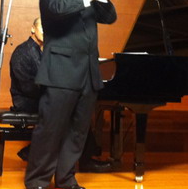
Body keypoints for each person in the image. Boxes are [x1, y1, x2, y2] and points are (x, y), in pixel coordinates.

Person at [23, 0, 117, 189]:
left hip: (88, 74)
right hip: (61, 73)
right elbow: (59, 11)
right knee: (50, 129)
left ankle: (65, 179)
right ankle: (37, 180)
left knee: (78, 131)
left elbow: (110, 17)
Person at [10, 17, 114, 172]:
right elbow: (27, 87)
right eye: (43, 27)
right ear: (32, 29)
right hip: (26, 101)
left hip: (42, 98)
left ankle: (38, 152)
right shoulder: (22, 52)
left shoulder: (45, 52)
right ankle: (83, 161)